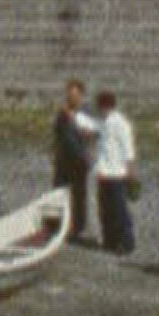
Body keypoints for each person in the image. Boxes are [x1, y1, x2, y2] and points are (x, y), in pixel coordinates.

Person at [74, 91, 137, 255]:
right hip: (103, 173)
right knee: (105, 209)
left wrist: (131, 173)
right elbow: (86, 125)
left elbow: (128, 150)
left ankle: (126, 242)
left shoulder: (121, 124)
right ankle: (110, 240)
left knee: (119, 210)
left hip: (117, 174)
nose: (100, 110)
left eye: (101, 107)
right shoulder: (101, 122)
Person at [51, 79, 91, 238]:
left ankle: (78, 228)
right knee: (59, 194)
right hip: (63, 160)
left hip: (79, 160)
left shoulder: (85, 113)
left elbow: (90, 134)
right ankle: (59, 225)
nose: (71, 98)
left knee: (79, 195)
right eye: (69, 95)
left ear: (81, 96)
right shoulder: (62, 114)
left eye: (74, 95)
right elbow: (58, 135)